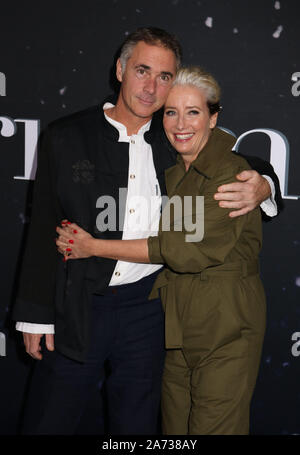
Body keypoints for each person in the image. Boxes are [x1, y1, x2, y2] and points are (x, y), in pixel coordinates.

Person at [14, 28, 280, 435]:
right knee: (49, 420)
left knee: (136, 426)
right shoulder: (67, 136)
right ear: (120, 70)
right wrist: (35, 316)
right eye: (142, 70)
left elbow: (236, 156)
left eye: (165, 77)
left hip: (149, 310)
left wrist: (263, 181)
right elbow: (42, 226)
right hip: (78, 305)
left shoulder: (175, 135)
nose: (151, 87)